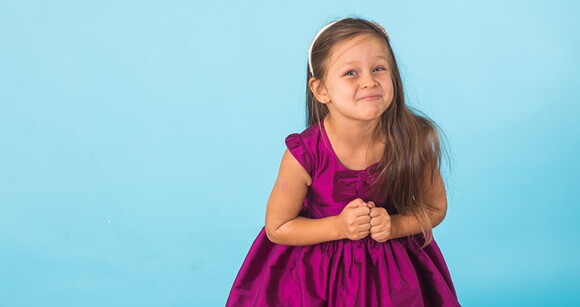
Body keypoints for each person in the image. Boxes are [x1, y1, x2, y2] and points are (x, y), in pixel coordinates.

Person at [226, 17, 461, 306]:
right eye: (351, 72)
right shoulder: (305, 155)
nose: (369, 81)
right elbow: (278, 227)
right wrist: (339, 226)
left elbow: (433, 208)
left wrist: (395, 226)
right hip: (314, 277)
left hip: (393, 277)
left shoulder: (414, 141)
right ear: (321, 90)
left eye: (378, 68)